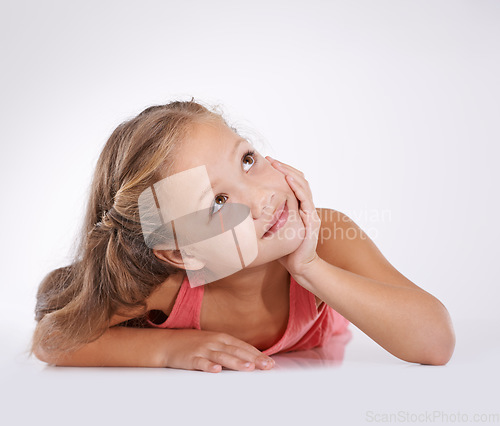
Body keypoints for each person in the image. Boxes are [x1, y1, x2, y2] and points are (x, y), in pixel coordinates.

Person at [30, 99, 455, 372]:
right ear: (183, 254)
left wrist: (310, 269)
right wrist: (165, 351)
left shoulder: (329, 238)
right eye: (217, 202)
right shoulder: (168, 289)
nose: (261, 199)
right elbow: (52, 340)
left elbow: (435, 343)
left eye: (248, 160)